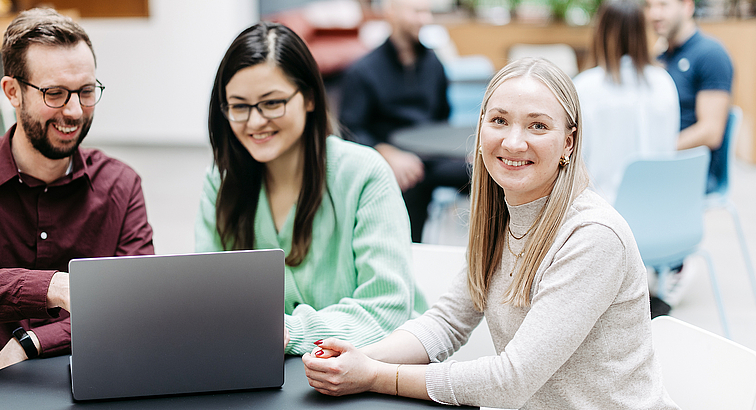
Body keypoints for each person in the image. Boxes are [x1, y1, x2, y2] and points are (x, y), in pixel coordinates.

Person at [302, 58, 678, 409]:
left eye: (538, 125)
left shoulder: (592, 236)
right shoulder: (500, 220)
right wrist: (362, 357)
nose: (513, 142)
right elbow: (447, 322)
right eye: (499, 120)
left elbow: (510, 380)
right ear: (480, 126)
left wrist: (377, 377)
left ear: (568, 142)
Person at [0, 8, 154, 409]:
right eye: (54, 93)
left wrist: (33, 342)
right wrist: (51, 287)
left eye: (86, 91)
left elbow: (137, 306)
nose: (74, 111)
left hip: (80, 395)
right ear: (12, 91)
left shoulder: (121, 185)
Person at [195, 22, 420, 357]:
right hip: (270, 374)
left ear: (310, 98)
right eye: (239, 106)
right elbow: (207, 300)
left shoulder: (363, 174)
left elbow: (386, 308)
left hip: (372, 369)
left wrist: (289, 332)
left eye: (272, 103)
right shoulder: (222, 181)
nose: (255, 122)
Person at [338, 0, 468, 243]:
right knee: (408, 181)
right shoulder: (362, 71)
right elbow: (350, 129)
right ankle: (409, 258)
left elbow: (442, 119)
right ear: (391, 13)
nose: (425, 19)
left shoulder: (434, 65)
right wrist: (387, 153)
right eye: (416, 11)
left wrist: (465, 154)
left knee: (485, 173)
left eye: (427, 12)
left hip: (434, 158)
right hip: (392, 160)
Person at [575, 0, 680, 205]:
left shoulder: (585, 87)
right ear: (643, 33)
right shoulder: (664, 82)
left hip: (603, 212)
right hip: (662, 207)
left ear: (601, 33)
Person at [646, 0, 733, 193]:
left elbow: (710, 132)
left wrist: (655, 150)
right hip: (662, 164)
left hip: (692, 171)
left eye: (663, 5)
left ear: (687, 6)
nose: (654, 14)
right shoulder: (660, 57)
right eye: (649, 6)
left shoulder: (711, 54)